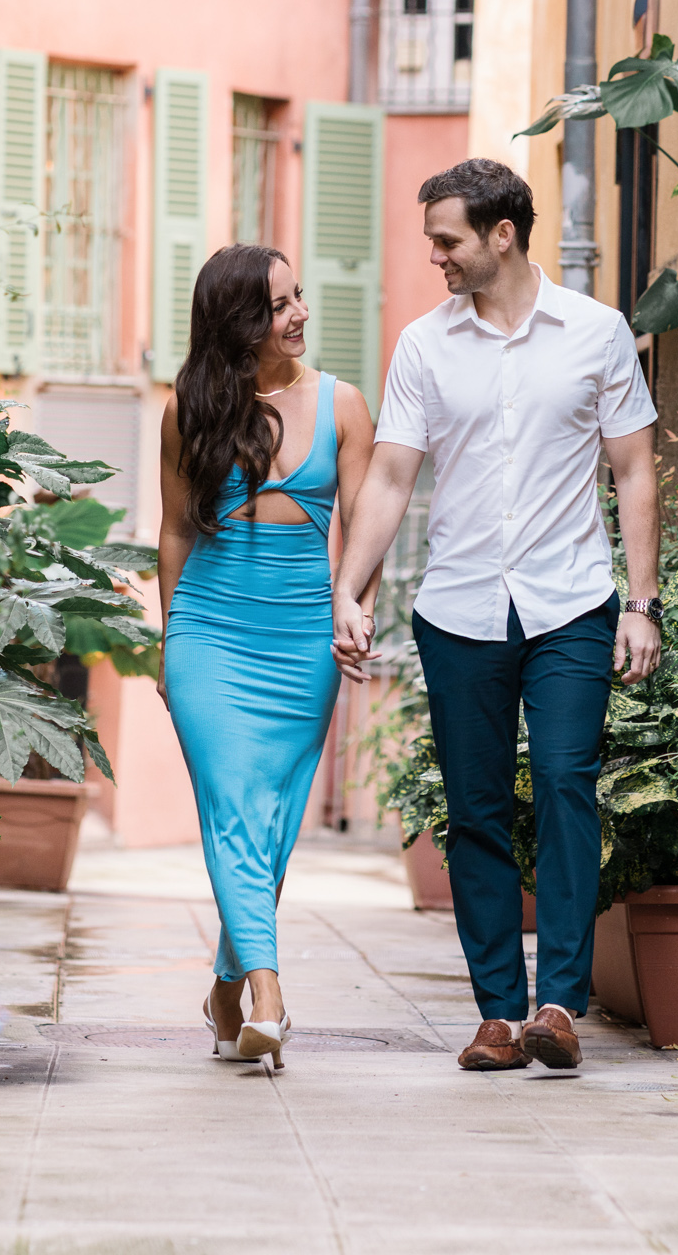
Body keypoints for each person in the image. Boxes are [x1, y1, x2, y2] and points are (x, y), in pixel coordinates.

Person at [331, 158, 662, 1073]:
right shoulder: (423, 347)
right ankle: (495, 1014)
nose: (433, 254)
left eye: (448, 239)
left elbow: (633, 469)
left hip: (571, 603)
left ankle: (558, 1003)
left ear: (502, 235)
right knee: (475, 810)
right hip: (460, 606)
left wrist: (642, 603)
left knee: (565, 784)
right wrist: (349, 593)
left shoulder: (596, 334)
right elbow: (394, 475)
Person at [159, 243, 377, 1069]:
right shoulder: (192, 409)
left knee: (271, 822)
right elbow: (176, 528)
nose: (299, 315)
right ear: (239, 321)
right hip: (209, 630)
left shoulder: (344, 405)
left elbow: (363, 528)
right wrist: (169, 636)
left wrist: (349, 609)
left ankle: (223, 988)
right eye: (281, 304)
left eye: (299, 298)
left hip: (301, 639)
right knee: (233, 805)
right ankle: (270, 998)